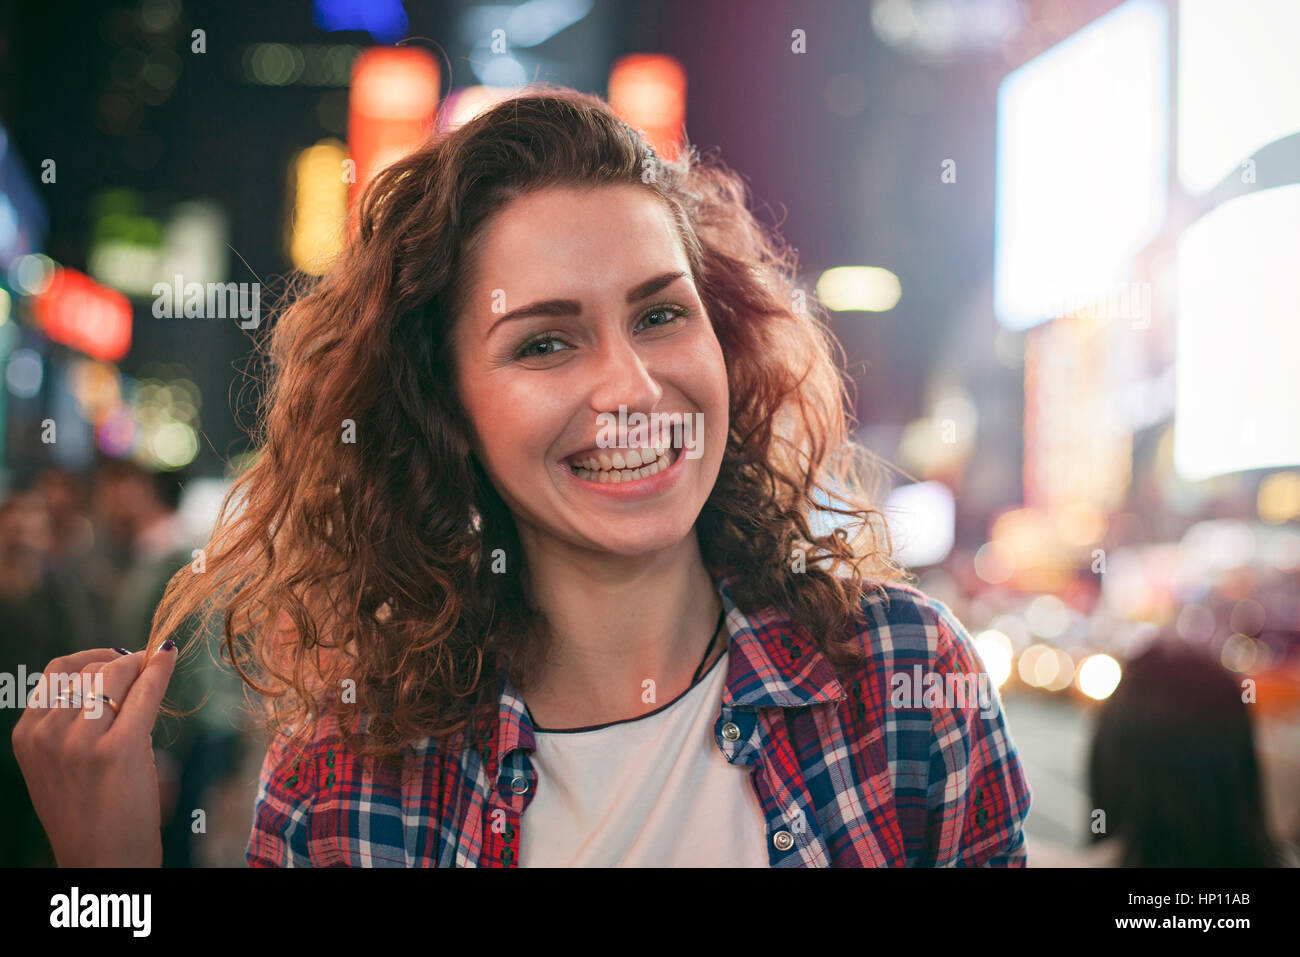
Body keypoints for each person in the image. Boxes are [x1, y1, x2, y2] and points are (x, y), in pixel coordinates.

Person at [12, 86, 1031, 867]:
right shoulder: (343, 782)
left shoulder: (901, 684)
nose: (631, 388)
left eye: (660, 314)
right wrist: (108, 883)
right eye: (544, 344)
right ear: (445, 409)